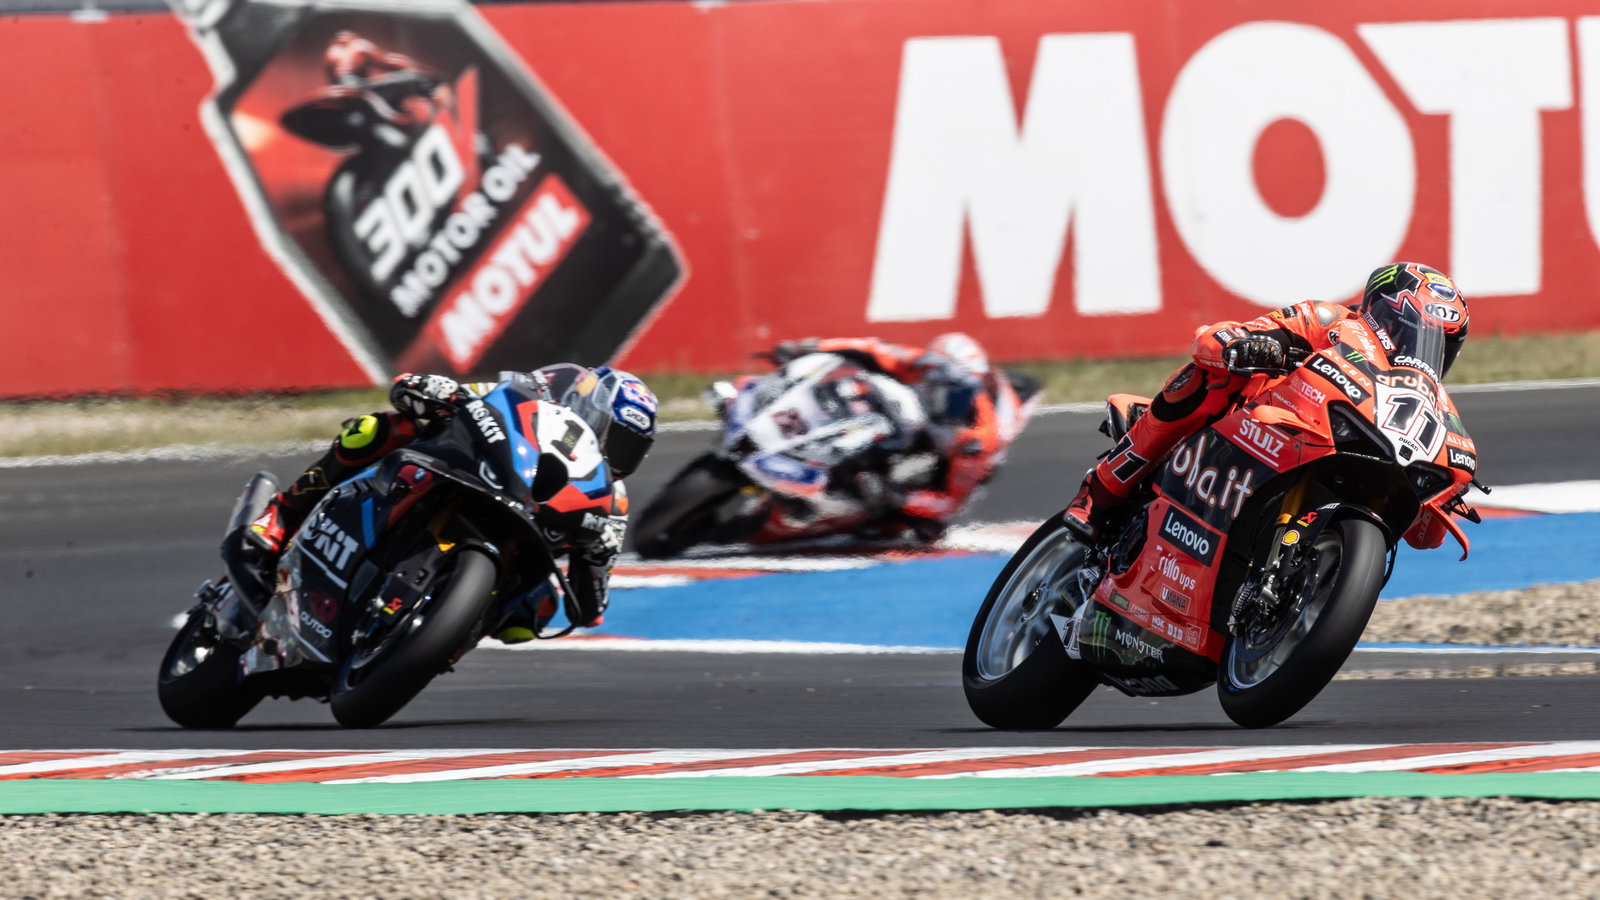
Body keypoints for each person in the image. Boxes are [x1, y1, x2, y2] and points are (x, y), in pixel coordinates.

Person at [1063, 261, 1470, 550]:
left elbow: (1424, 539)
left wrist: (1444, 493)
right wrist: (1246, 346)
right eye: (1412, 331)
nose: (1423, 350)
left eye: (1442, 344)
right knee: (1210, 376)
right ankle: (1101, 490)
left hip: (1333, 458)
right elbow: (1213, 339)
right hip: (1260, 423)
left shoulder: (1436, 407)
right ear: (1382, 313)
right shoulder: (1330, 321)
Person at [245, 365, 657, 639]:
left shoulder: (610, 503)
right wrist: (436, 390)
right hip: (464, 473)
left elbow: (590, 609)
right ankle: (283, 513)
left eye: (630, 448)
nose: (616, 453)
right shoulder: (537, 395)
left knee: (533, 613)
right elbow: (432, 391)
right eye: (615, 437)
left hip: (517, 544)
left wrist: (597, 557)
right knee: (376, 429)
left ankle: (438, 640)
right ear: (587, 407)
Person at [769, 332, 1036, 540]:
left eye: (961, 391)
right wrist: (810, 347)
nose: (951, 398)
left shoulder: (976, 440)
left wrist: (896, 495)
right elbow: (868, 348)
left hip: (956, 454)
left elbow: (949, 502)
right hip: (904, 415)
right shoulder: (919, 364)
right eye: (944, 385)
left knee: (927, 528)